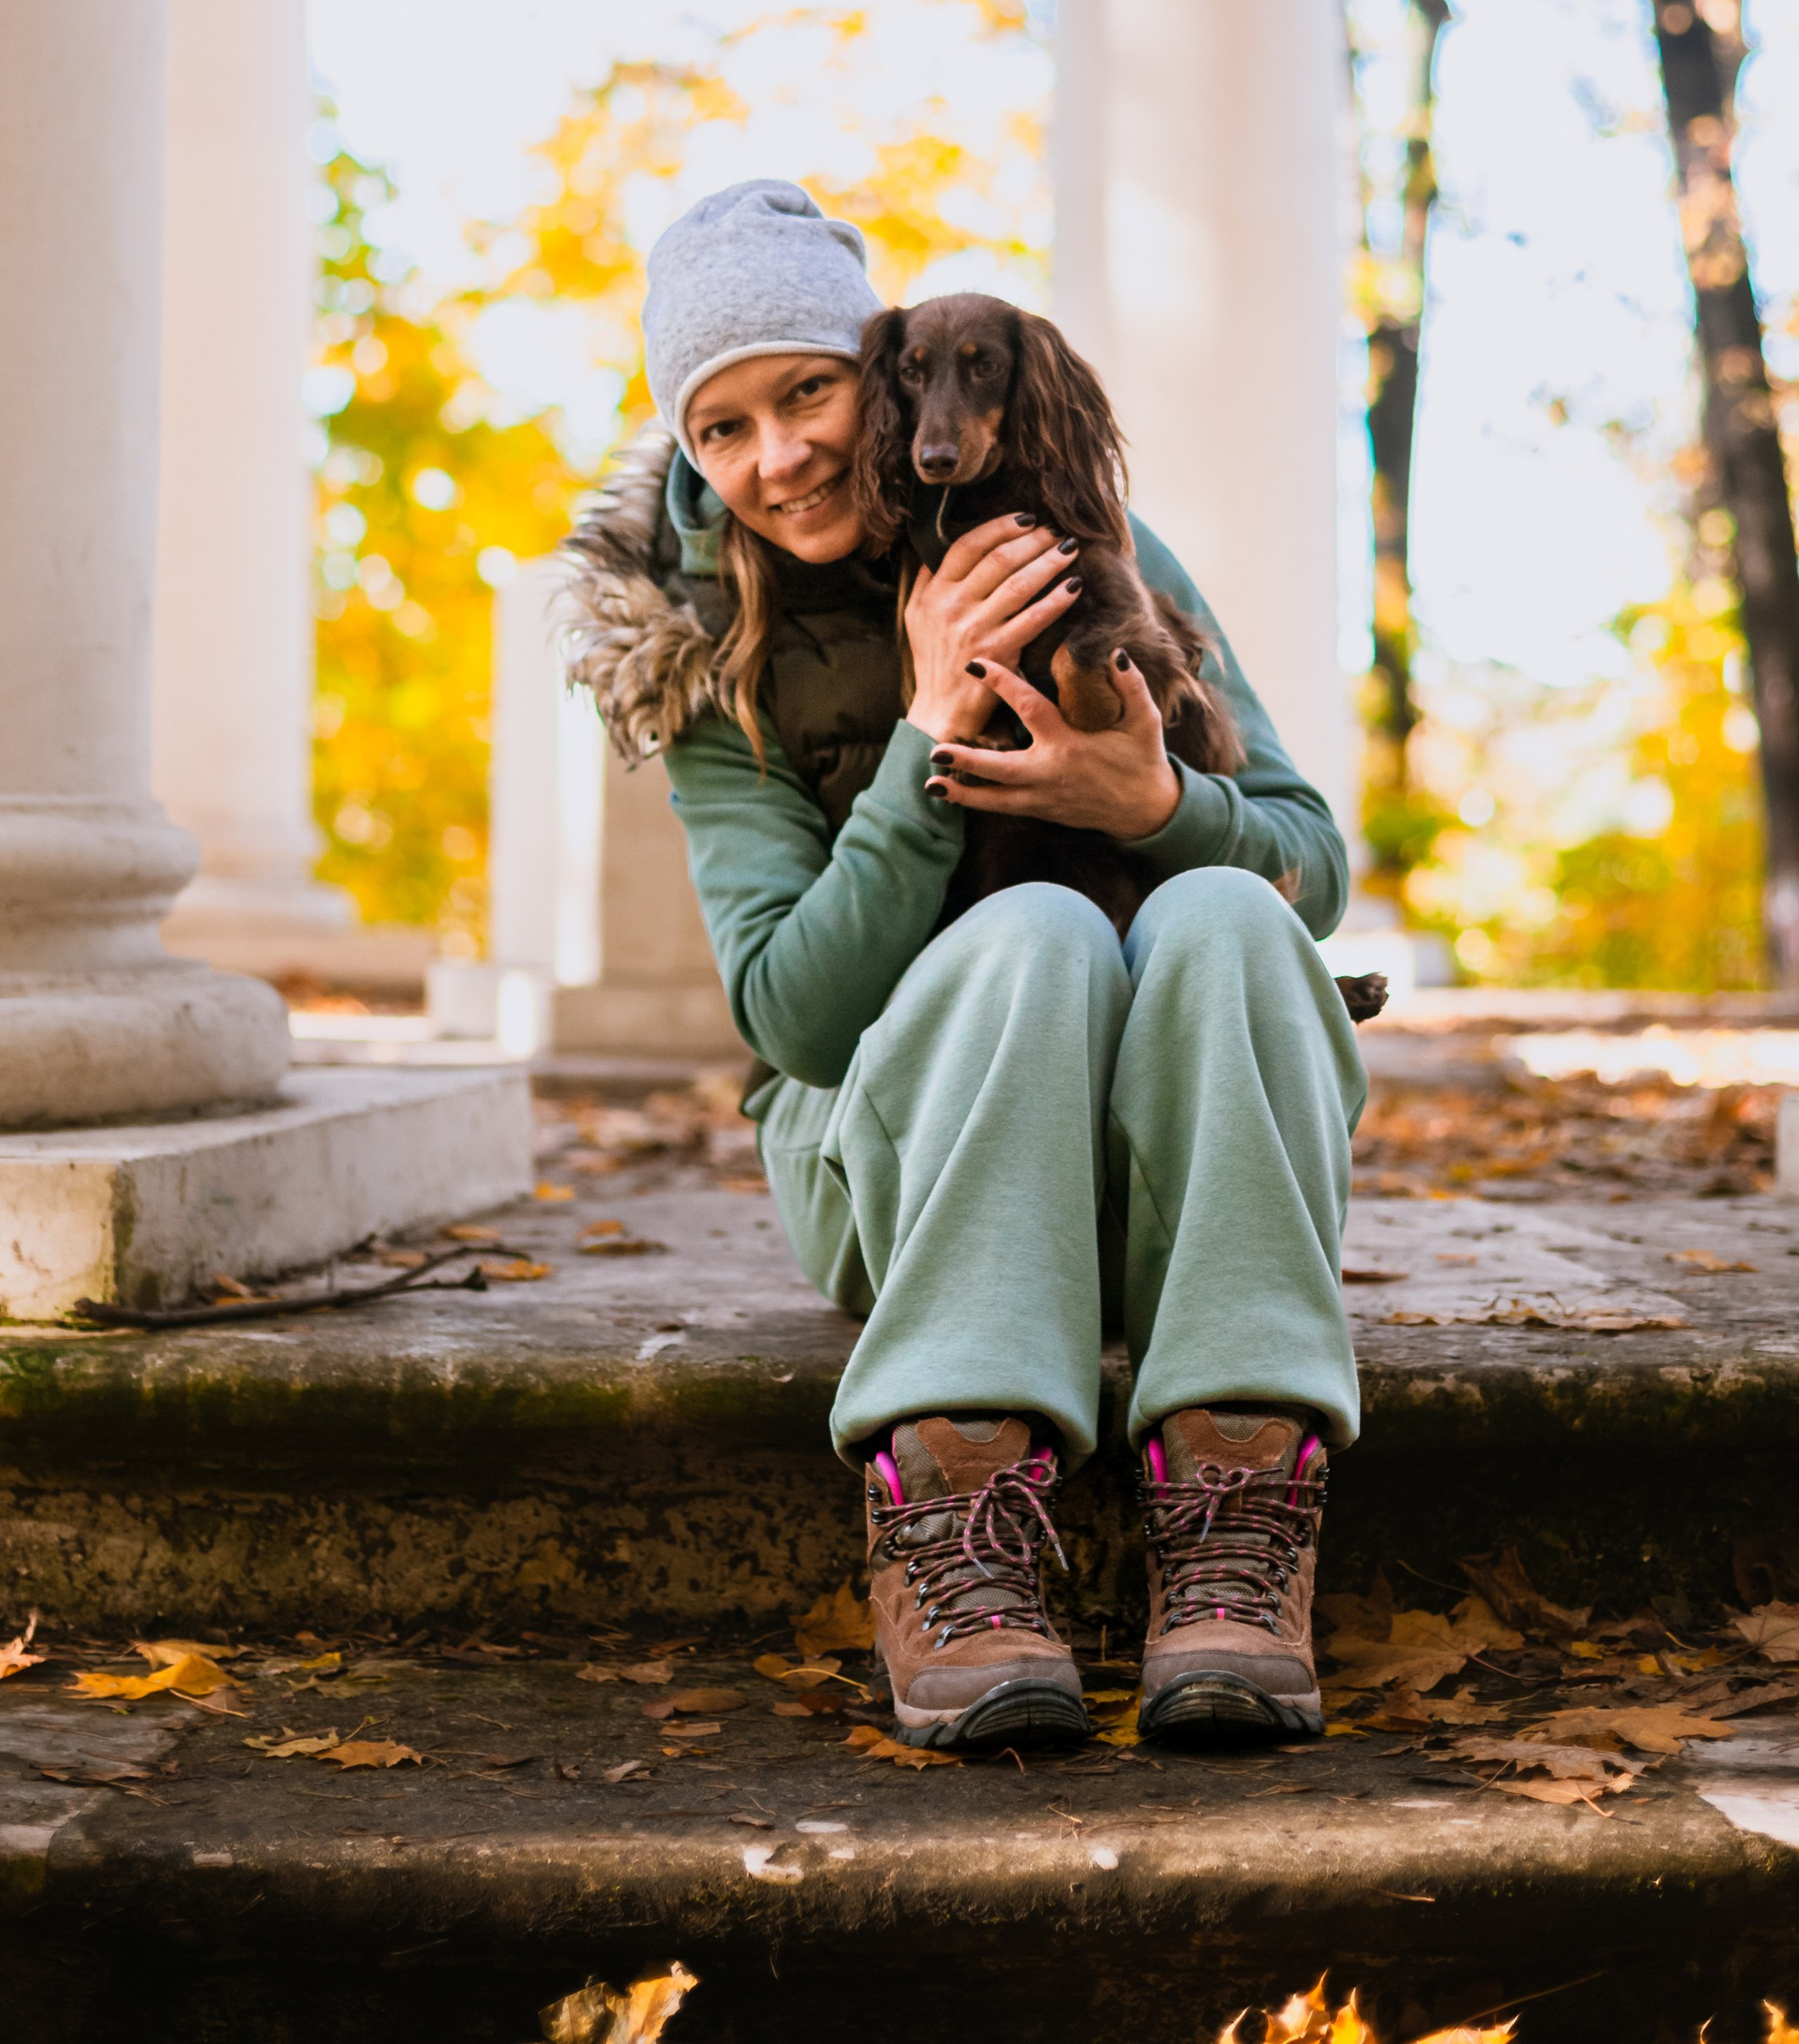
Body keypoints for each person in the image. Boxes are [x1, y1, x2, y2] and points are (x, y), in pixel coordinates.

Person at [560, 178, 1366, 1755]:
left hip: (1162, 1170)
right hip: (903, 1171)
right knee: (1034, 931)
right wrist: (925, 738)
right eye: (722, 428)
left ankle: (1237, 1488)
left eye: (808, 393)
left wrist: (1155, 807)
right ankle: (949, 1494)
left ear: (885, 376)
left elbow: (1311, 873)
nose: (779, 455)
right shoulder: (698, 648)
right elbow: (794, 1017)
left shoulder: (1087, 543)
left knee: (1224, 913)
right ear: (693, 455)